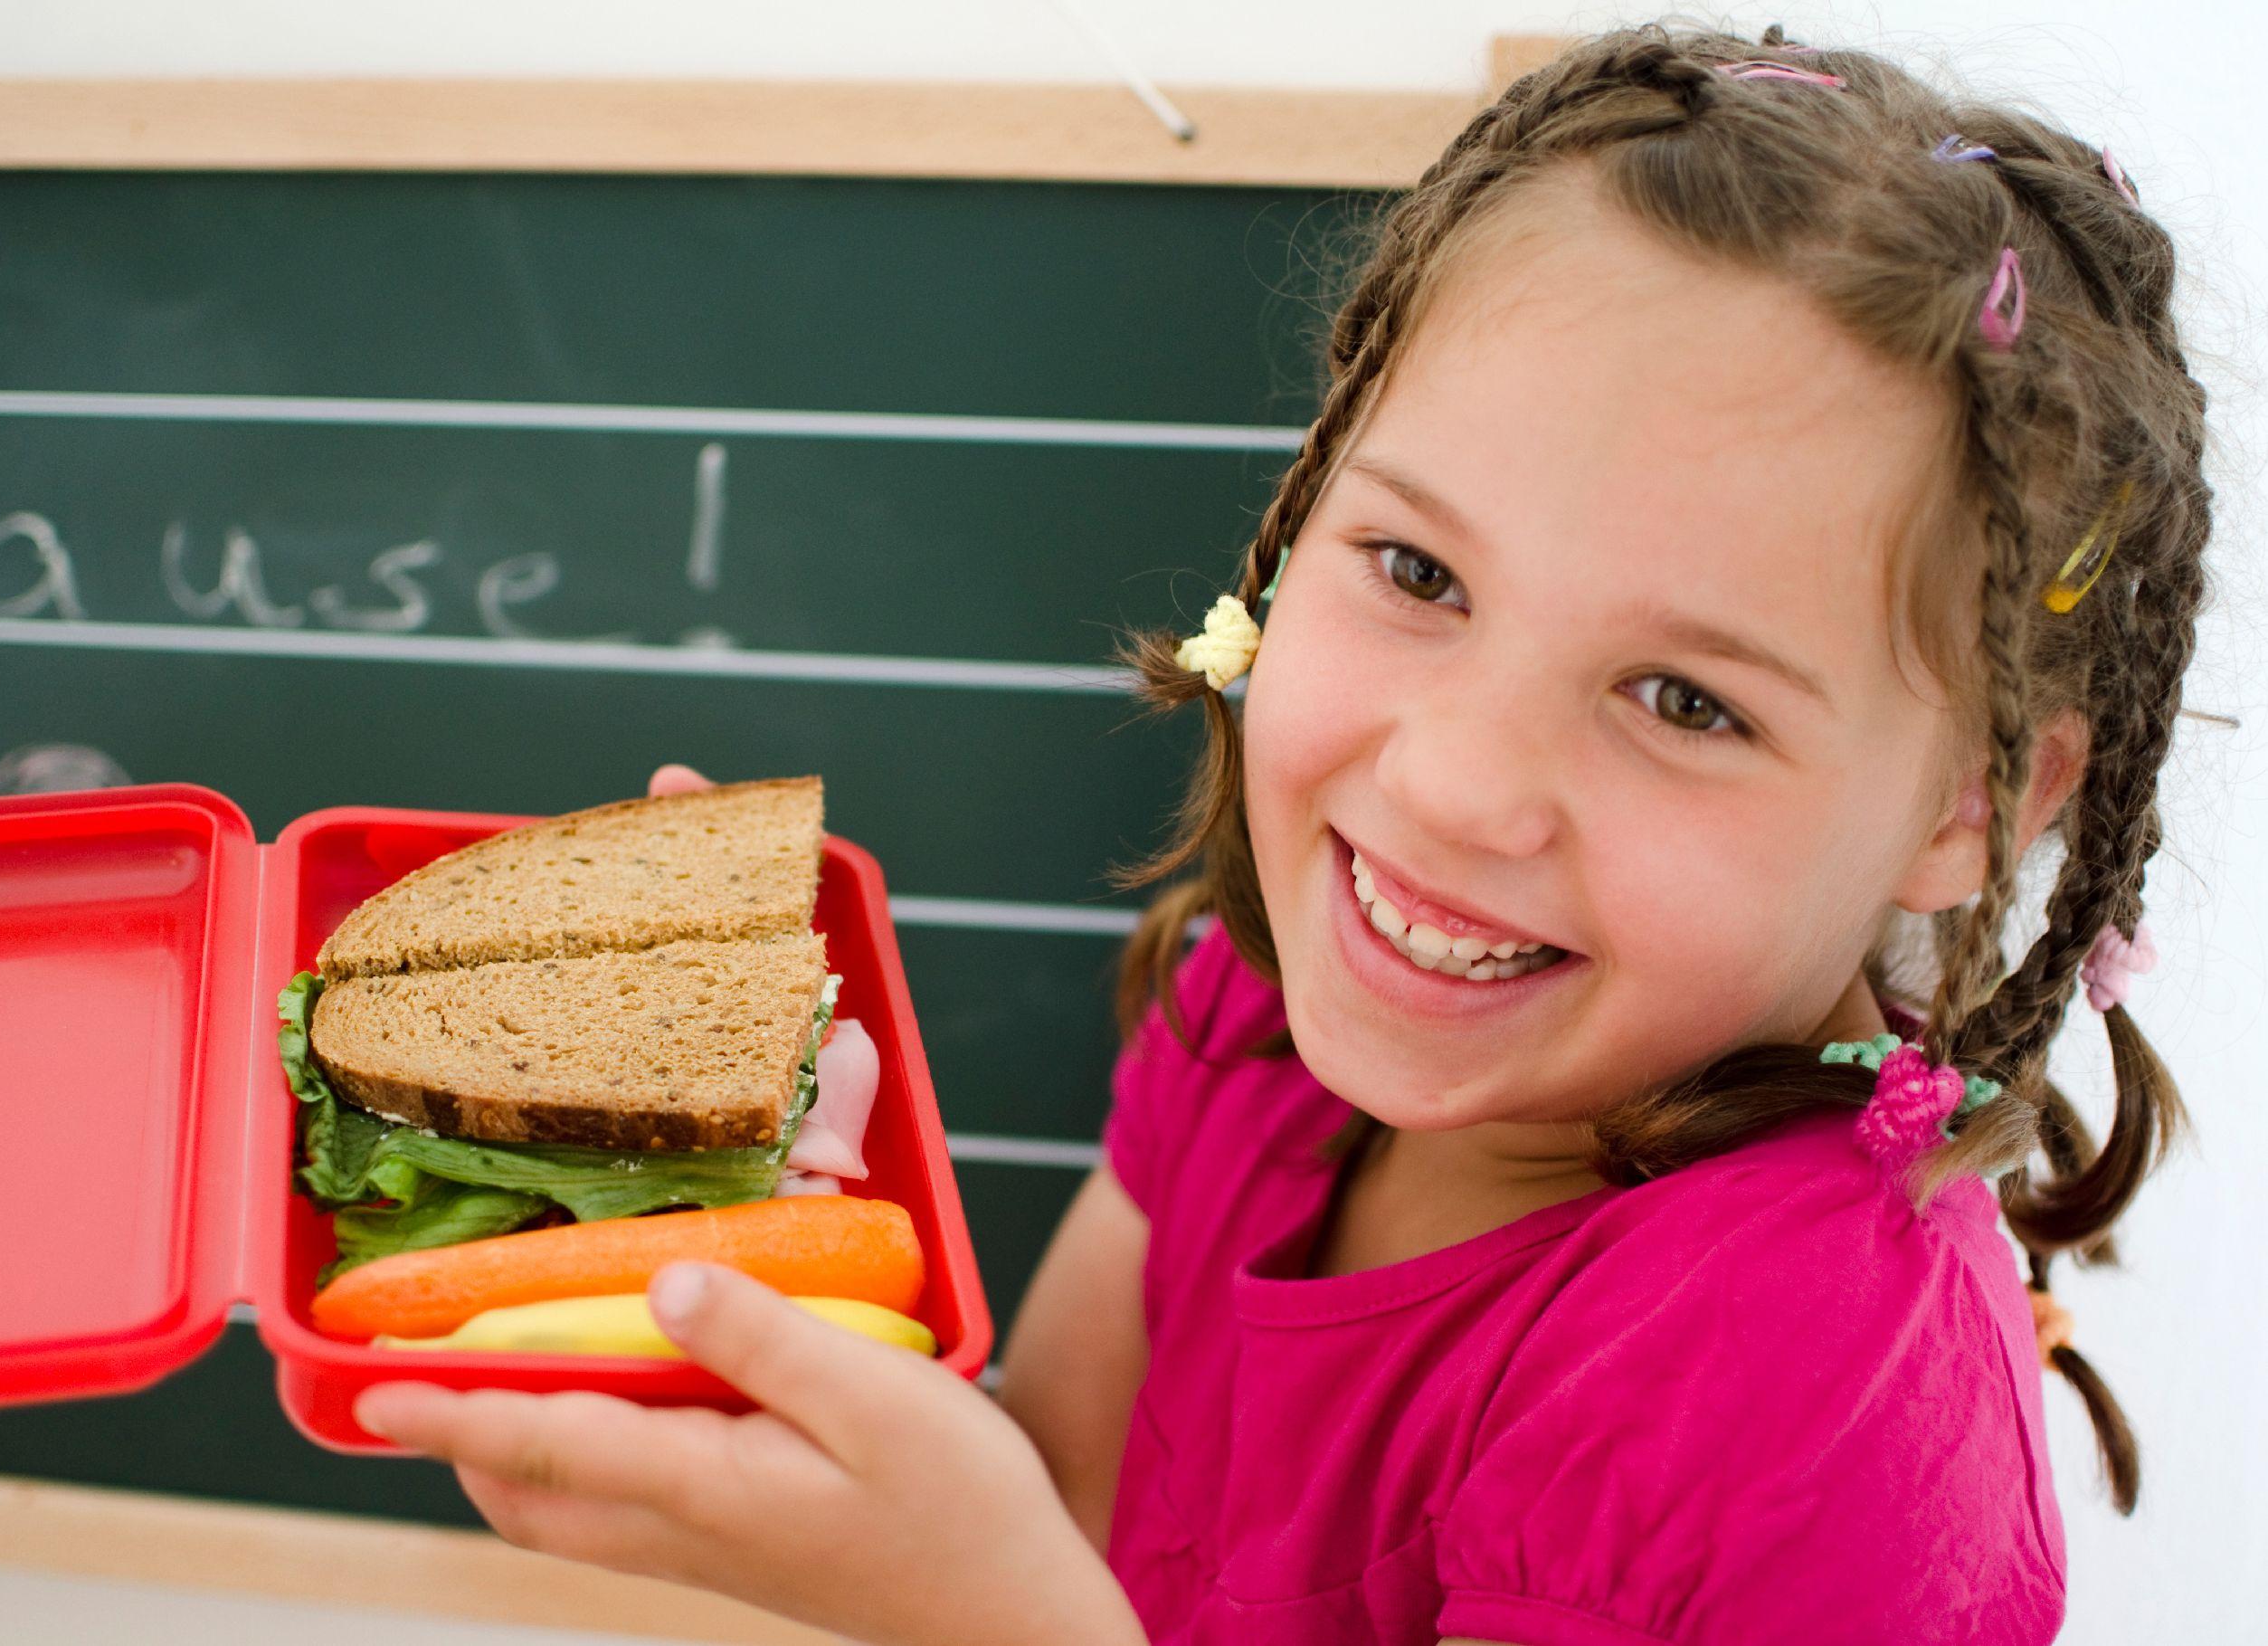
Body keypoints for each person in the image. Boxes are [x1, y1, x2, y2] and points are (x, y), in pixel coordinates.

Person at [346, 24, 2214, 1645]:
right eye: (1415, 569)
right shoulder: (1267, 1013)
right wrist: (775, 1225)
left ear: (1978, 807)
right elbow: (1055, 1506)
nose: (1453, 786)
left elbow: (1029, 1597)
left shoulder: (1803, 1375)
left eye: (1686, 701)